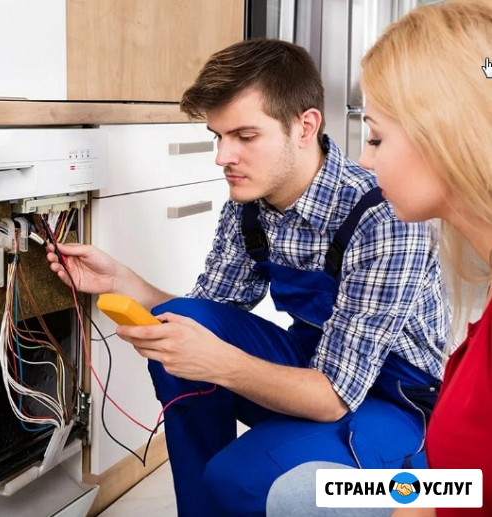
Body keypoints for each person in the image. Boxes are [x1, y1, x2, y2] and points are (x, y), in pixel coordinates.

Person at [47, 38, 449, 517]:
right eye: (218, 136)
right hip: (314, 366)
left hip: (392, 402)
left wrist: (221, 364)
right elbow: (205, 316)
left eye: (244, 136)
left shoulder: (383, 218)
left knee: (240, 480)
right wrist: (122, 282)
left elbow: (335, 396)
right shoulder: (251, 207)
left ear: (305, 127)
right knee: (180, 322)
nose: (222, 156)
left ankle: (408, 478)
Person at [266, 2, 492, 515]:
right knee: (302, 490)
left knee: (275, 489)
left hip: (453, 484)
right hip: (452, 487)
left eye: (376, 137)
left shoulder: (383, 225)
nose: (365, 160)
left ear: (448, 136)